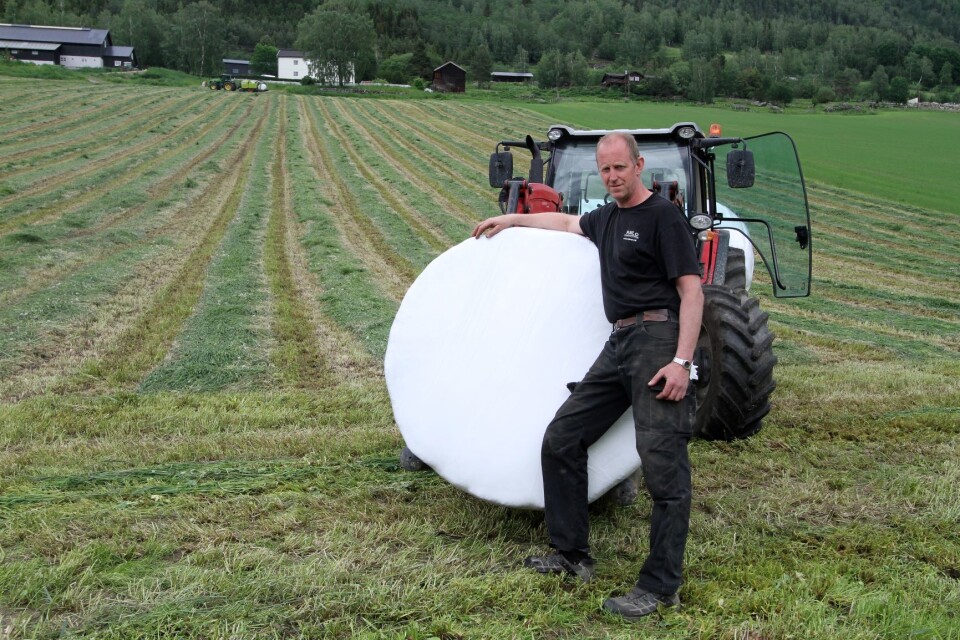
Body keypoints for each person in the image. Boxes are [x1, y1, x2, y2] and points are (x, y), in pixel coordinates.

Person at [471, 132, 704, 620]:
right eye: (605, 170)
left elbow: (691, 292)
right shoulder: (609, 218)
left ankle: (660, 587)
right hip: (619, 342)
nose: (613, 176)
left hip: (658, 342)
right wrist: (511, 219)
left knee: (663, 467)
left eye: (620, 167)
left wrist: (682, 362)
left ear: (639, 165)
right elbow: (566, 220)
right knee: (562, 437)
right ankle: (572, 554)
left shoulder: (663, 217)